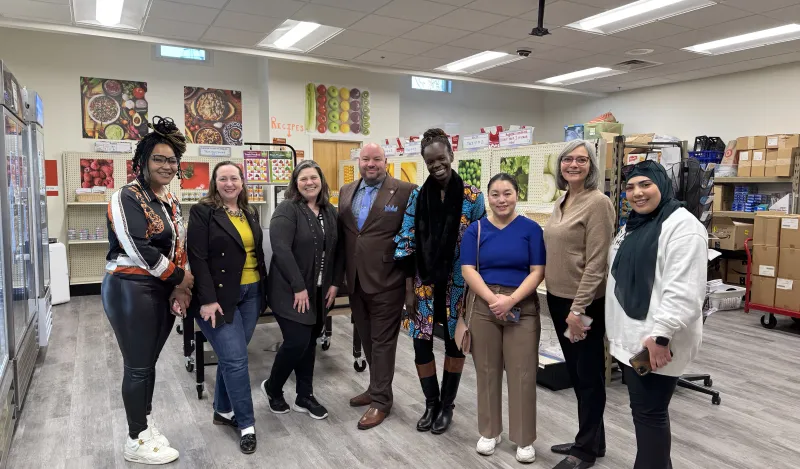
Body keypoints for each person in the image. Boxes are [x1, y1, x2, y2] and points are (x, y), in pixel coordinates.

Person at [102, 116, 191, 465]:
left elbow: (177, 242)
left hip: (159, 288)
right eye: (159, 158)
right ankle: (135, 438)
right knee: (138, 366)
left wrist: (177, 288)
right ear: (143, 161)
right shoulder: (126, 196)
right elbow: (138, 247)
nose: (167, 165)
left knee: (148, 363)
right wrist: (180, 279)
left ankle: (144, 420)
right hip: (129, 287)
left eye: (172, 160)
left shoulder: (167, 198)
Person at [606, 160, 706, 469]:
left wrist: (661, 336)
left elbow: (684, 291)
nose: (636, 193)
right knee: (643, 413)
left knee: (650, 415)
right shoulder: (634, 224)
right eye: (631, 187)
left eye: (645, 185)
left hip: (656, 343)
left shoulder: (684, 228)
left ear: (662, 185)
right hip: (632, 337)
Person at [394, 128, 485, 434]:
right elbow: (406, 240)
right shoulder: (418, 197)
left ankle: (447, 406)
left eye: (441, 158)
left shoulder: (473, 197)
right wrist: (408, 289)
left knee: (455, 345)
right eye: (430, 161)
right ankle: (431, 403)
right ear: (425, 162)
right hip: (424, 284)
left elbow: (484, 243)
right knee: (421, 344)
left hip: (459, 285)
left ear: (451, 155)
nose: (436, 165)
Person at [461, 173, 546, 464]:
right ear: (488, 197)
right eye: (495, 194)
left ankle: (524, 439)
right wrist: (492, 299)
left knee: (523, 373)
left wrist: (509, 300)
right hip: (484, 305)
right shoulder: (476, 229)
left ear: (517, 195)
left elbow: (537, 271)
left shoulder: (531, 229)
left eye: (507, 193)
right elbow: (468, 269)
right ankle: (489, 431)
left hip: (522, 305)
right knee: (486, 370)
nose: (501, 200)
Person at [187, 161, 266, 454]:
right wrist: (207, 299)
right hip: (218, 297)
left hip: (252, 293)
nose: (229, 183)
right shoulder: (202, 212)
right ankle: (246, 424)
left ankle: (223, 410)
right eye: (223, 179)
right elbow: (197, 258)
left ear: (242, 182)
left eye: (234, 178)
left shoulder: (249, 211)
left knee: (231, 357)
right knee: (235, 360)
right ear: (215, 183)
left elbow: (256, 253)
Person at [544, 141, 615, 469]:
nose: (574, 164)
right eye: (568, 159)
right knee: (577, 371)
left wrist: (578, 309)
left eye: (582, 160)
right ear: (560, 165)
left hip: (581, 305)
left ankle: (584, 451)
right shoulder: (562, 201)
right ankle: (593, 440)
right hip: (559, 301)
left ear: (591, 167)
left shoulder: (598, 203)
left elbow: (597, 262)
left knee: (587, 375)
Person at [338, 142, 416, 430]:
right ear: (359, 161)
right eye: (366, 159)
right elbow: (348, 236)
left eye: (377, 159)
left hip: (389, 279)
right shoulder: (347, 191)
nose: (371, 164)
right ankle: (375, 386)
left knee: (383, 342)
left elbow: (410, 239)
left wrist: (409, 285)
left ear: (386, 161)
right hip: (355, 280)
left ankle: (381, 401)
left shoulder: (406, 191)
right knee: (368, 337)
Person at [261, 160, 343, 422]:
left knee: (310, 342)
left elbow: (337, 250)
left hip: (319, 292)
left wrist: (334, 283)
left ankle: (304, 396)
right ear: (296, 183)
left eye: (314, 178)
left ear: (321, 181)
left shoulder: (330, 211)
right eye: (303, 178)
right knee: (297, 341)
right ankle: (273, 387)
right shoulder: (288, 209)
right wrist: (298, 287)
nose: (309, 182)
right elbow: (281, 249)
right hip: (289, 290)